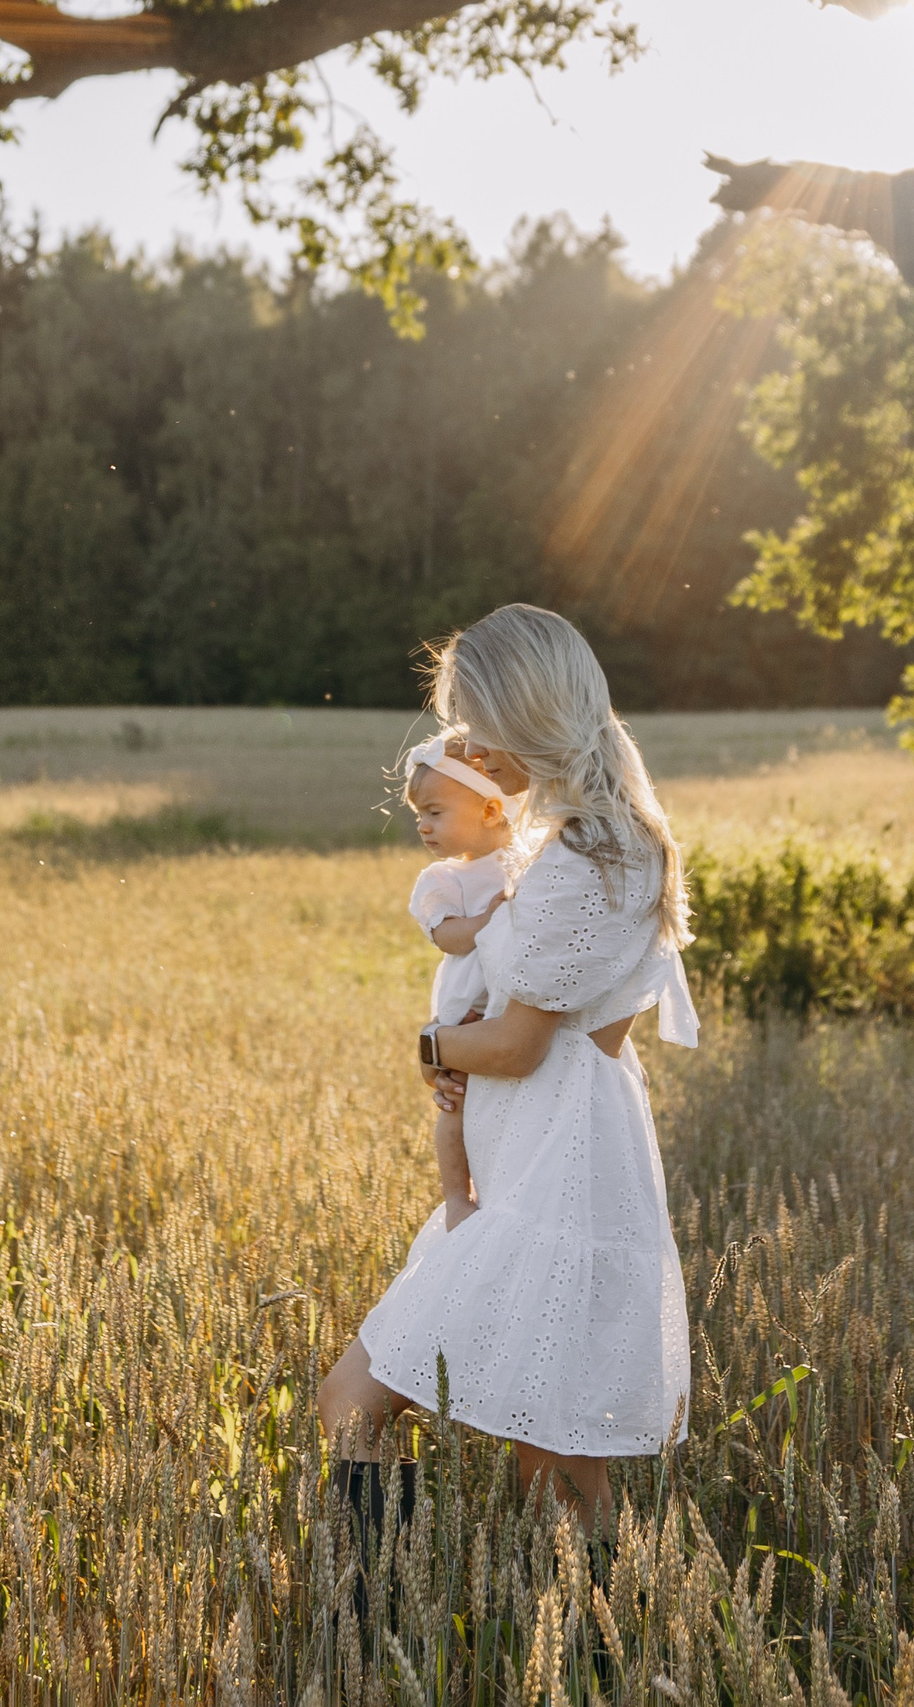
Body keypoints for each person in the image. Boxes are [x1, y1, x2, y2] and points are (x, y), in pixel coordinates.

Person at [317, 603, 700, 1546]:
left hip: (554, 1173)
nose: (471, 749)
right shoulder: (596, 833)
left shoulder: (584, 854)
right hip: (545, 1158)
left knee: (388, 1413)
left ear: (530, 712)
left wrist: (433, 1046)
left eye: (479, 724)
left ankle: (385, 1611)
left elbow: (522, 1045)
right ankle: (404, 1612)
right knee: (552, 1467)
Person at [400, 731, 519, 1232]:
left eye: (435, 812)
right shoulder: (443, 879)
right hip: (467, 1007)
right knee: (456, 1102)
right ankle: (456, 1196)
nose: (423, 826)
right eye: (419, 816)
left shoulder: (525, 862)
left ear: (490, 810)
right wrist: (488, 921)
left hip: (513, 1004)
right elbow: (447, 937)